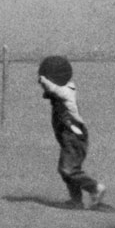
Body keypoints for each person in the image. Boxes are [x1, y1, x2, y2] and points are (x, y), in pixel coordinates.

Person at [37, 55, 106, 209]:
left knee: (67, 170)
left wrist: (43, 79)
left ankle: (95, 188)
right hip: (68, 137)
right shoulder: (60, 91)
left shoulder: (66, 91)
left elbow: (53, 88)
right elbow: (50, 92)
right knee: (70, 171)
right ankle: (76, 201)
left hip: (74, 137)